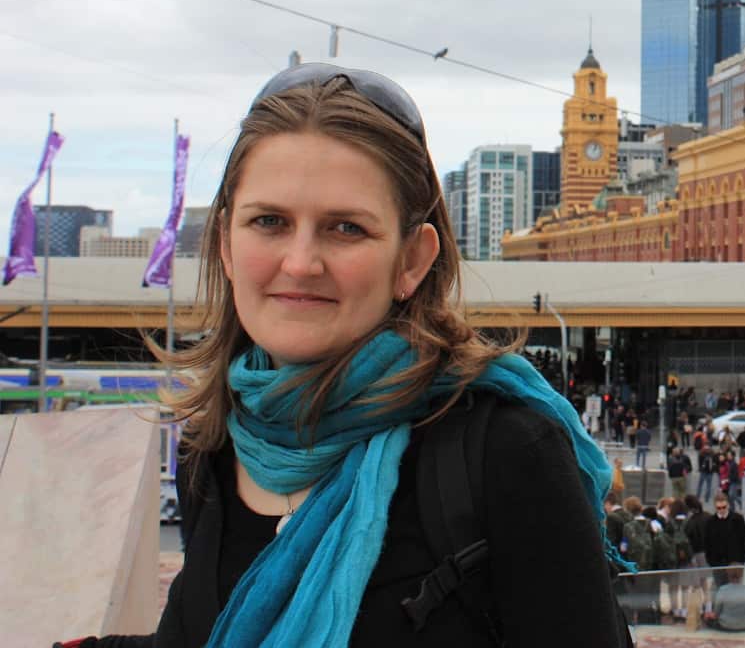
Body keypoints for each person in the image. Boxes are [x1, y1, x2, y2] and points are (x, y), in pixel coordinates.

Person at [61, 63, 626, 646]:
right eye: (270, 221)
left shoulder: (504, 454)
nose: (301, 263)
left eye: (346, 229)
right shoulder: (213, 448)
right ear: (227, 245)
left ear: (412, 260)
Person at [704, 492, 745, 589]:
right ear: (715, 507)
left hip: (735, 563)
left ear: (728, 505)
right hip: (718, 564)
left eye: (724, 507)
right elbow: (707, 543)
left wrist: (742, 560)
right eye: (719, 508)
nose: (721, 510)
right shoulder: (710, 522)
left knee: (736, 590)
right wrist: (712, 562)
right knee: (720, 590)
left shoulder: (738, 519)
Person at [703, 566, 745, 632]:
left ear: (728, 574)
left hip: (726, 626)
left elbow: (716, 613)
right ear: (742, 574)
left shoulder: (723, 589)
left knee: (704, 612)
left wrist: (707, 614)